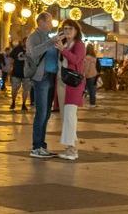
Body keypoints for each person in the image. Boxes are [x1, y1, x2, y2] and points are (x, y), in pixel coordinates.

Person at [25, 12, 58, 158]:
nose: (51, 24)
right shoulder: (34, 37)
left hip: (51, 77)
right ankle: (36, 147)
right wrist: (50, 43)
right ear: (41, 22)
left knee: (47, 114)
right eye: (49, 21)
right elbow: (33, 53)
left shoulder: (47, 37)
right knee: (41, 113)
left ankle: (41, 145)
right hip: (41, 78)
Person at [55, 19, 86, 160]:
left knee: (70, 116)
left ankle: (72, 150)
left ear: (76, 31)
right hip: (62, 83)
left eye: (70, 28)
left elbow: (76, 60)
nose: (67, 31)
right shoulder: (64, 43)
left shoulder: (79, 45)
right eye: (65, 28)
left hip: (73, 84)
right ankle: (69, 148)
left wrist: (63, 50)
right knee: (65, 116)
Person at [8, 39, 28, 110]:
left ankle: (24, 104)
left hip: (27, 73)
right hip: (16, 72)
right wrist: (11, 67)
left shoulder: (31, 49)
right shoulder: (17, 49)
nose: (26, 43)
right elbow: (11, 58)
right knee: (14, 89)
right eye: (25, 41)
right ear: (23, 42)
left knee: (26, 89)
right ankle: (13, 102)